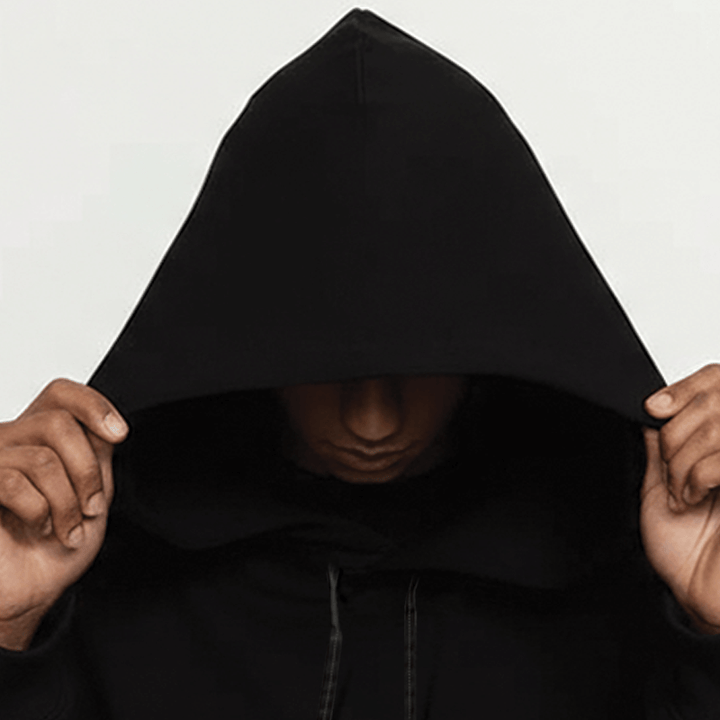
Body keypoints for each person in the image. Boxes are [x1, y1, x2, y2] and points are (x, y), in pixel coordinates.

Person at [1, 9, 720, 719]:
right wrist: (8, 629)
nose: (372, 421)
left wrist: (713, 633)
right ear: (243, 339)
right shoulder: (94, 569)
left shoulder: (630, 568)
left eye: (422, 361)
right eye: (325, 366)